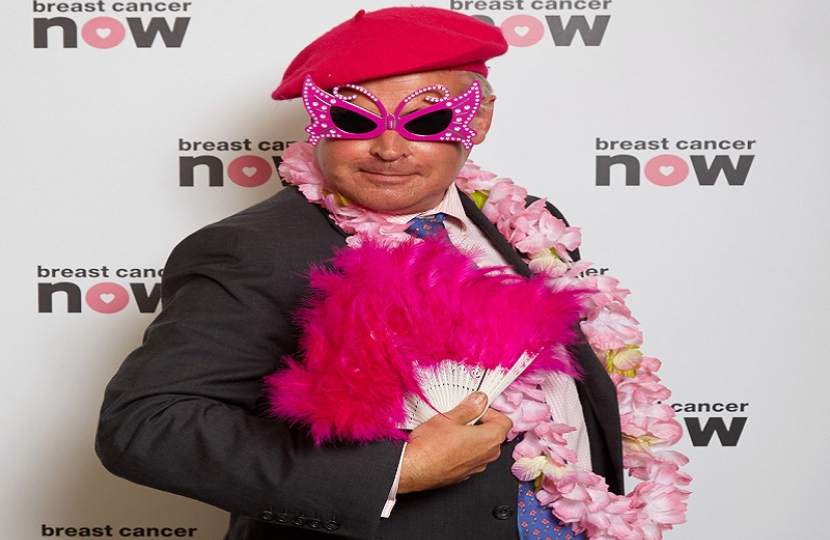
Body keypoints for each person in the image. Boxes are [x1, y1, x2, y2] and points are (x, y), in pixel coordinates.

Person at [96, 7, 624, 540]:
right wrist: (397, 471)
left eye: (428, 121)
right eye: (353, 120)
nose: (389, 149)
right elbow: (146, 424)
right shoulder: (254, 249)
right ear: (315, 118)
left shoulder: (525, 223)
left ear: (479, 119)